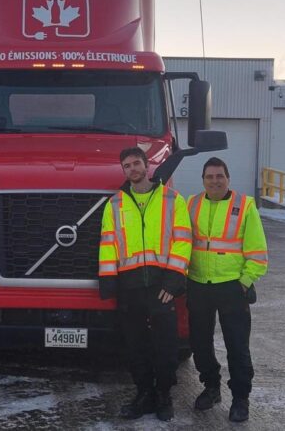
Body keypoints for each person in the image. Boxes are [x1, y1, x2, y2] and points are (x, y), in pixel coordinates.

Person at [98, 146, 192, 422]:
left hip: (162, 286)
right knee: (135, 345)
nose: (132, 169)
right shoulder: (114, 204)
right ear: (123, 171)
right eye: (126, 166)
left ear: (147, 165)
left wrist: (174, 281)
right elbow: (108, 245)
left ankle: (163, 396)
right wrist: (109, 283)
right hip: (130, 287)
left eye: (136, 163)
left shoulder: (173, 200)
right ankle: (143, 395)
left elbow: (183, 241)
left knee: (165, 345)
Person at [186, 157, 268, 422]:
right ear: (203, 180)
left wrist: (244, 282)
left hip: (232, 287)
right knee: (200, 344)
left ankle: (240, 399)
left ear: (228, 178)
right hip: (198, 284)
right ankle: (211, 387)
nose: (214, 181)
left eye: (219, 176)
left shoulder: (244, 206)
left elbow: (257, 252)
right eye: (209, 176)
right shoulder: (192, 204)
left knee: (237, 347)